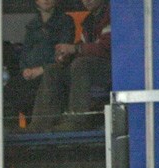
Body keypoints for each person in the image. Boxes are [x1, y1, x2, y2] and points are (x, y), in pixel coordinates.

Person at [27, 0, 111, 132]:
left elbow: (107, 48)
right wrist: (66, 57)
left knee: (81, 65)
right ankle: (40, 124)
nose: (87, 1)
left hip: (113, 69)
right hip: (91, 67)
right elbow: (83, 46)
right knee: (53, 70)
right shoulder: (90, 20)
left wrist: (75, 49)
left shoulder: (112, 15)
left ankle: (77, 121)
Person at [4, 0, 75, 127]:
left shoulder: (65, 21)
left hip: (52, 71)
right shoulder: (32, 24)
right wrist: (25, 69)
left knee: (40, 89)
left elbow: (63, 52)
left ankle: (38, 128)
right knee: (9, 89)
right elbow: (25, 51)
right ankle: (12, 132)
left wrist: (42, 69)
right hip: (30, 73)